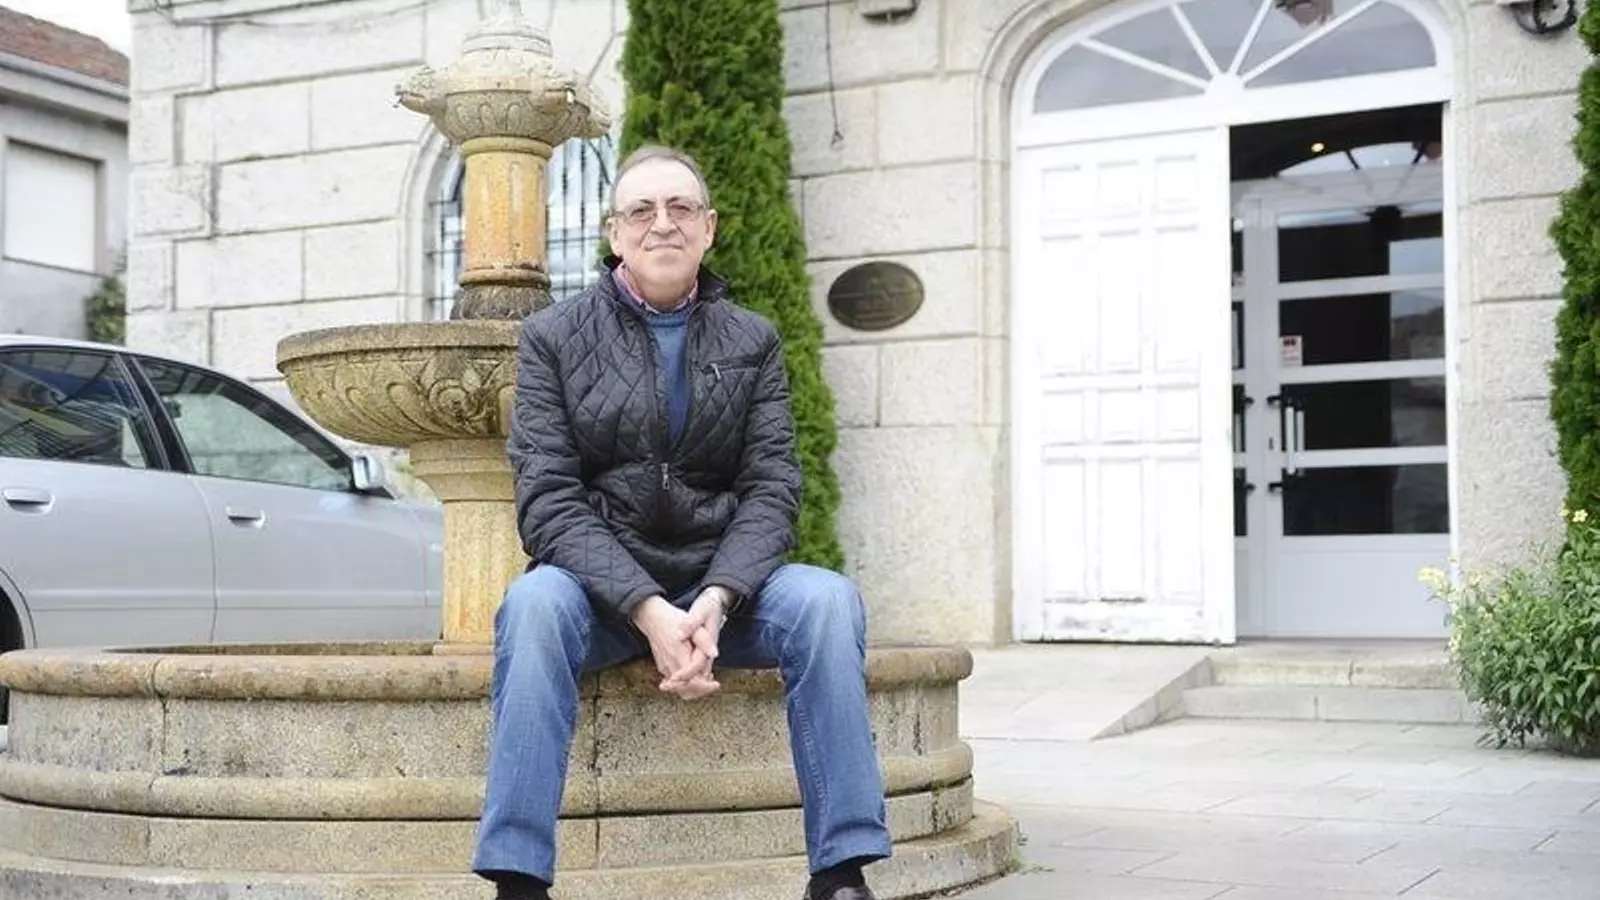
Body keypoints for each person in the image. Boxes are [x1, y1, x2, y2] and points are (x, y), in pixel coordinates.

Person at [471, 144, 892, 900]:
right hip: (599, 595)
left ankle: (841, 872)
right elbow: (547, 500)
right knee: (532, 605)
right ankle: (518, 881)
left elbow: (772, 489)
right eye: (641, 210)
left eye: (680, 208)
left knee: (827, 601)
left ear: (709, 228)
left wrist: (718, 598)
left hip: (721, 592)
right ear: (614, 233)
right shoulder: (553, 338)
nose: (661, 223)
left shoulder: (752, 340)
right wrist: (646, 607)